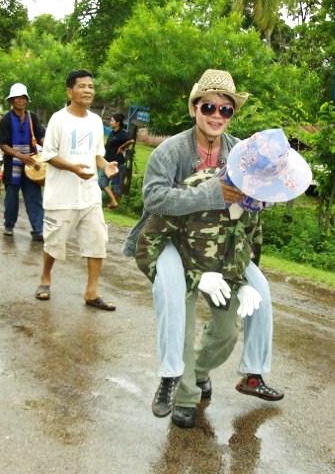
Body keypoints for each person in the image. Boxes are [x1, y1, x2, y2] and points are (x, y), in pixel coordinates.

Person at [123, 69, 283, 422]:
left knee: (244, 309)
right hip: (171, 239)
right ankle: (179, 388)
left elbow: (252, 207)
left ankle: (231, 372)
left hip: (219, 244)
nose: (216, 115)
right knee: (175, 302)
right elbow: (154, 199)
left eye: (225, 109)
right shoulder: (170, 151)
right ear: (195, 107)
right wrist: (212, 194)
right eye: (209, 107)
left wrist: (262, 198)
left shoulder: (241, 152)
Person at [135, 129, 312, 427]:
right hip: (181, 266)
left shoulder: (253, 203)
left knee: (227, 332)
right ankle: (184, 395)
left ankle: (199, 371)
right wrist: (194, 278)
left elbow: (246, 246)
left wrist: (242, 284)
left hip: (221, 272)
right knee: (181, 326)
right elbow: (147, 245)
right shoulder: (197, 188)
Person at [34, 69, 119, 311]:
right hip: (62, 195)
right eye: (82, 86)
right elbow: (48, 154)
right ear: (70, 91)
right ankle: (45, 279)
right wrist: (73, 168)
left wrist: (106, 166)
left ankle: (92, 292)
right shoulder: (58, 119)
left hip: (89, 194)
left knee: (98, 240)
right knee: (54, 242)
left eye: (91, 86)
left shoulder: (96, 121)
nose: (88, 90)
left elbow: (97, 155)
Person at [0, 83, 46, 240]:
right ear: (12, 101)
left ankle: (38, 230)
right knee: (11, 199)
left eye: (23, 98)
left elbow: (41, 137)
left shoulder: (32, 117)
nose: (20, 101)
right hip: (13, 166)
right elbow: (2, 144)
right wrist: (19, 155)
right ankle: (9, 225)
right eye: (17, 98)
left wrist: (49, 148)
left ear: (26, 100)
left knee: (34, 198)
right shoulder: (6, 120)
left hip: (32, 164)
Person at [100, 113, 132, 209]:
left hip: (117, 163)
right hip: (107, 162)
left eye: (112, 121)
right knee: (102, 183)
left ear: (117, 123)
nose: (110, 122)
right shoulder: (112, 133)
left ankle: (114, 204)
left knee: (115, 186)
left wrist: (122, 147)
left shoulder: (122, 134)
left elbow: (131, 140)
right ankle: (113, 201)